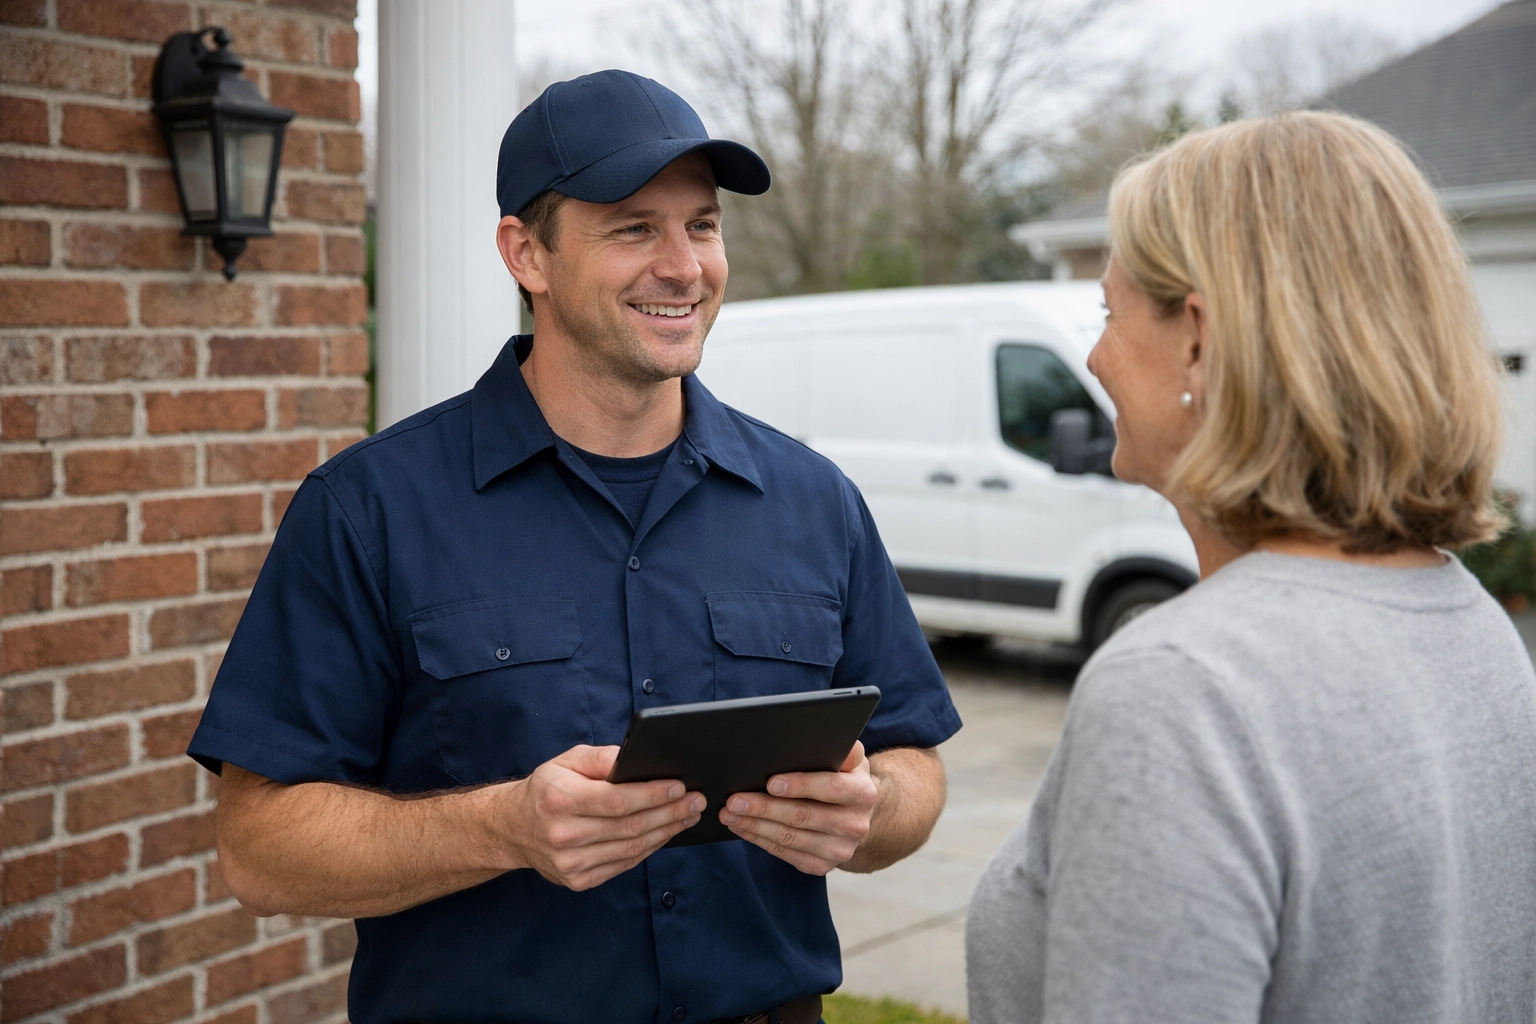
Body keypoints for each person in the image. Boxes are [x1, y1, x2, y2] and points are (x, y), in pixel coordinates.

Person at [190, 70, 960, 1024]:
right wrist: (503, 827)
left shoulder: (814, 501)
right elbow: (259, 851)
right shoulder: (367, 510)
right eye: (634, 227)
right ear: (528, 253)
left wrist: (871, 808)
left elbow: (915, 766)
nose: (684, 265)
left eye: (703, 225)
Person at [965, 110, 1536, 1024]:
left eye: (1110, 313)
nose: (1096, 357)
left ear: (1197, 335)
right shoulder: (1472, 625)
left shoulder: (1185, 692)